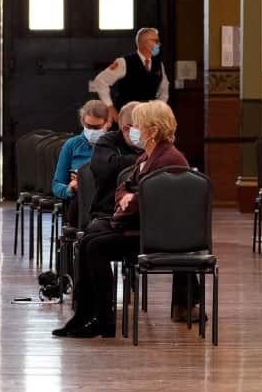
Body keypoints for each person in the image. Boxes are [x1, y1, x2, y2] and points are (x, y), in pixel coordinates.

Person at [53, 101, 187, 339]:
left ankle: (103, 320)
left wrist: (132, 200)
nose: (135, 131)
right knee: (87, 241)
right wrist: (126, 196)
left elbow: (156, 200)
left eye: (139, 126)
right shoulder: (150, 154)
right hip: (139, 225)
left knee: (95, 246)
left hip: (153, 234)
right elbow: (127, 184)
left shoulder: (168, 159)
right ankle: (84, 315)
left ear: (153, 130)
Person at [51, 100, 109, 225]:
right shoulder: (71, 145)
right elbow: (56, 185)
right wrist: (70, 189)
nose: (92, 131)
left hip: (106, 199)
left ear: (106, 123)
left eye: (97, 127)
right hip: (79, 200)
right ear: (82, 122)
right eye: (88, 126)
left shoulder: (113, 144)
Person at [91, 27, 171, 112]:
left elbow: (164, 88)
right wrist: (109, 107)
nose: (159, 44)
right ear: (143, 43)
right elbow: (100, 81)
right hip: (127, 114)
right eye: (155, 41)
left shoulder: (159, 64)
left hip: (148, 116)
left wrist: (159, 108)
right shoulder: (124, 62)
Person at [89, 102, 141, 218]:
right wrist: (142, 161)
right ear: (126, 129)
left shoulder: (152, 143)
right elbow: (107, 168)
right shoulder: (107, 142)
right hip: (108, 212)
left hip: (144, 212)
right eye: (143, 127)